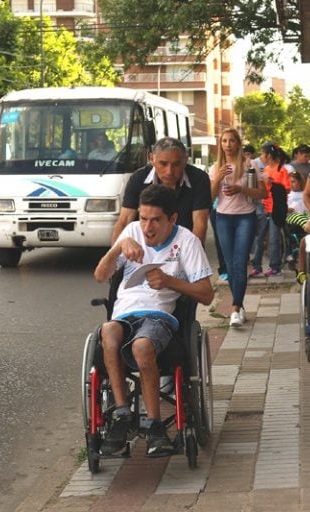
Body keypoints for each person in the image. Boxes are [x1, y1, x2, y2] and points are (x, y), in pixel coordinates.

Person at [93, 184, 214, 457]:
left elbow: (207, 294)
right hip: (124, 314)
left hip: (158, 316)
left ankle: (155, 426)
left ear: (172, 219)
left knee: (141, 347)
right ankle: (122, 414)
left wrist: (169, 281)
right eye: (143, 218)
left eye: (156, 220)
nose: (147, 227)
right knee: (108, 331)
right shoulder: (132, 232)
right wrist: (117, 248)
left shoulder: (187, 241)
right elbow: (100, 276)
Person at [209, 128, 267, 327]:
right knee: (229, 264)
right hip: (223, 218)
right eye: (224, 141)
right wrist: (217, 179)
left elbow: (263, 193)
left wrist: (241, 188)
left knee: (240, 261)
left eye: (231, 140)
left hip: (245, 217)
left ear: (238, 143)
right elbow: (209, 198)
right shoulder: (215, 167)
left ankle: (235, 308)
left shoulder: (250, 164)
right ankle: (239, 305)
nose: (227, 144)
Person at [112, 137, 211, 244]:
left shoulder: (199, 179)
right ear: (151, 159)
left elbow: (200, 223)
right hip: (145, 248)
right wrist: (115, 255)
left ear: (185, 160)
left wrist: (193, 255)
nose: (169, 171)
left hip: (184, 245)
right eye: (163, 164)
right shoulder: (138, 179)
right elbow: (125, 220)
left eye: (176, 164)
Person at [249, 142, 291, 278]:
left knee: (273, 238)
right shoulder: (265, 170)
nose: (262, 156)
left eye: (263, 153)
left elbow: (287, 188)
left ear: (268, 155)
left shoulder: (281, 170)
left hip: (276, 208)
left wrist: (272, 182)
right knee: (259, 237)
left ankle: (275, 266)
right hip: (263, 206)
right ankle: (257, 266)